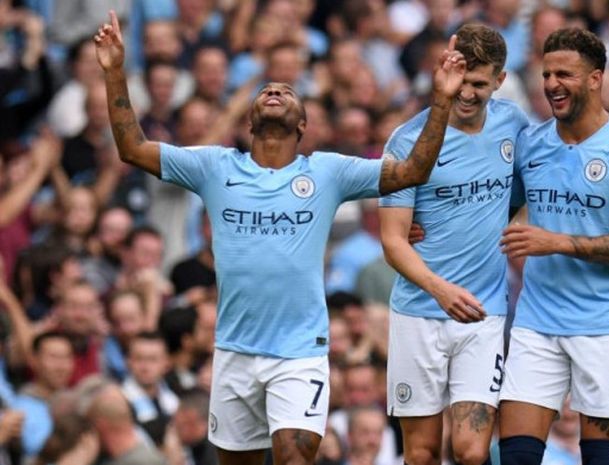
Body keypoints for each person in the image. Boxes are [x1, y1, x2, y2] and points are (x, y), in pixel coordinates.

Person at [93, 10, 466, 465]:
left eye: (287, 91)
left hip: (299, 353)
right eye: (266, 90)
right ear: (249, 120)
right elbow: (132, 148)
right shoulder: (215, 166)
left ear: (303, 125)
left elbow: (412, 171)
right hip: (234, 350)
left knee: (294, 455)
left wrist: (442, 100)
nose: (274, 90)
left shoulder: (329, 171)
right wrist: (114, 72)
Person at [498, 28, 609, 465]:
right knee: (513, 457)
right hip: (536, 321)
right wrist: (426, 228)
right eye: (547, 74)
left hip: (604, 324)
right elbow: (496, 212)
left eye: (564, 74)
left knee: (602, 460)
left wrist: (556, 241)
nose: (551, 83)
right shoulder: (531, 144)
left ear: (595, 78)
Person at [379, 23, 529, 465]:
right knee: (422, 453)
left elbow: (520, 193)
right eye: (461, 81)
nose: (468, 93)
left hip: (483, 313)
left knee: (470, 449)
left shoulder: (513, 125)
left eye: (480, 84)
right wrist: (441, 289)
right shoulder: (408, 141)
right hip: (419, 313)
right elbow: (392, 240)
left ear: (499, 81)